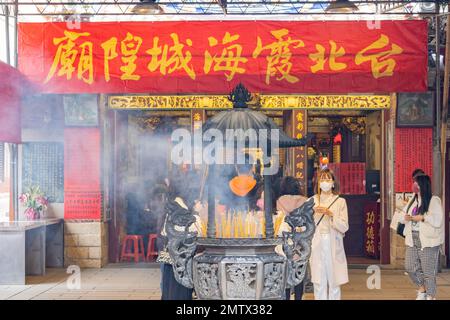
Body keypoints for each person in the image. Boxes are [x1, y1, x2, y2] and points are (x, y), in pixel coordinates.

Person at [158, 175, 202, 300]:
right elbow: (197, 232)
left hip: (169, 261)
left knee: (169, 294)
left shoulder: (172, 205)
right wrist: (197, 213)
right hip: (181, 264)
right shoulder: (182, 211)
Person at [401, 174, 444, 300]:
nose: (414, 186)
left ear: (423, 185)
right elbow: (403, 216)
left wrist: (423, 217)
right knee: (409, 267)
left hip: (428, 241)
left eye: (417, 183)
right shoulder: (412, 200)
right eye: (414, 183)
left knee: (428, 271)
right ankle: (422, 288)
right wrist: (405, 218)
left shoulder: (433, 200)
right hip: (412, 238)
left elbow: (438, 220)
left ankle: (430, 295)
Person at [310, 169, 349, 300]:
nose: (325, 182)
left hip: (332, 240)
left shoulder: (340, 201)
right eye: (322, 179)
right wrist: (312, 212)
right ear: (318, 183)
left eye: (328, 179)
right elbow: (305, 223)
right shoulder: (312, 201)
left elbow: (344, 226)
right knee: (318, 278)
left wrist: (331, 214)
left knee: (334, 278)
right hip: (317, 241)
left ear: (333, 183)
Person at [276, 176, 307, 300]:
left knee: (286, 270)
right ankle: (298, 297)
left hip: (285, 240)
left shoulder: (279, 201)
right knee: (299, 270)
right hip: (300, 241)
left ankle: (287, 297)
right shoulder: (304, 200)